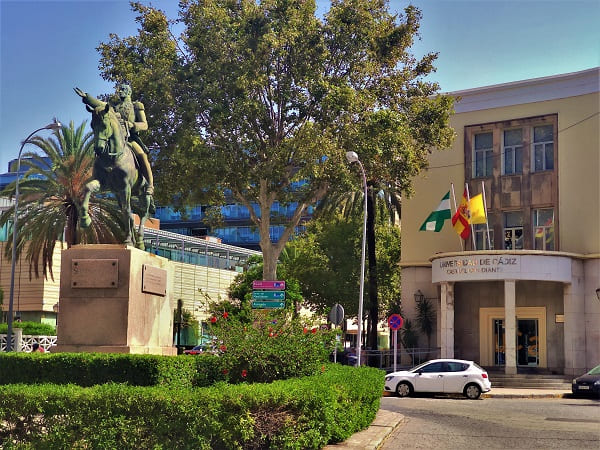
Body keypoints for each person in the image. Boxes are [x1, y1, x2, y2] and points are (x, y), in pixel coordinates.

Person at [74, 84, 155, 202]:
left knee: (142, 155)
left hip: (130, 139)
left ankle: (150, 185)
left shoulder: (136, 106)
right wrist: (87, 97)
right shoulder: (114, 108)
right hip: (115, 140)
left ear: (129, 92)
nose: (120, 91)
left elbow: (145, 124)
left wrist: (133, 125)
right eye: (120, 89)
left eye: (123, 90)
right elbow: (100, 104)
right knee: (100, 155)